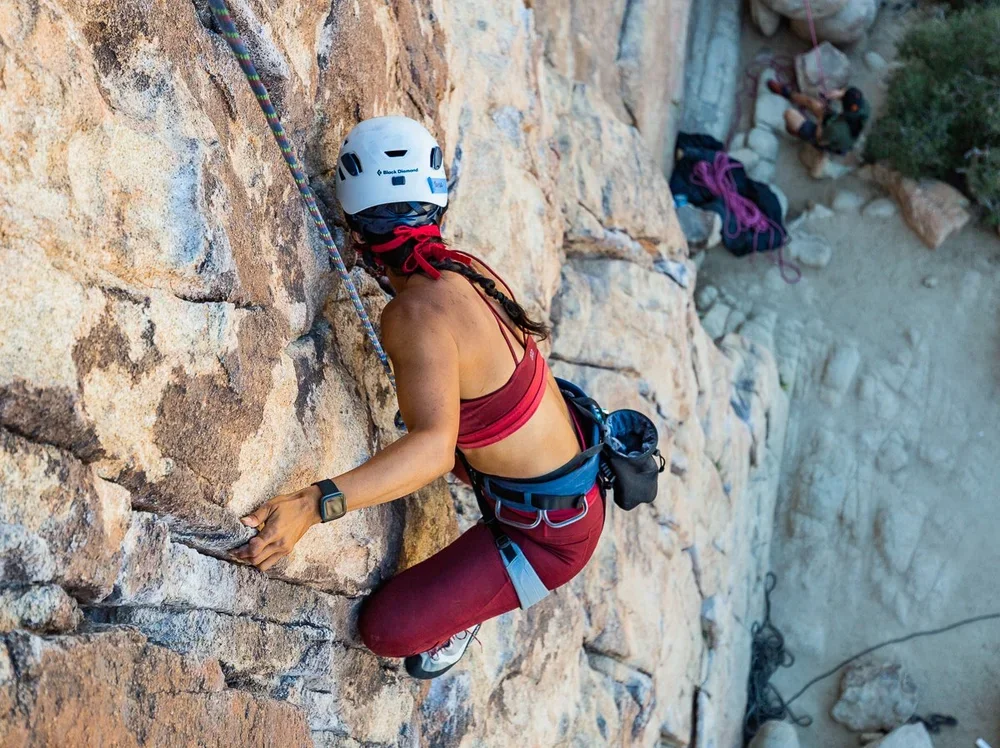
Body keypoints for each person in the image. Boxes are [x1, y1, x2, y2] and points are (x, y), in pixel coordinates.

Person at [230, 116, 605, 680]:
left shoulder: (411, 313)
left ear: (356, 232)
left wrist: (314, 504)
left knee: (387, 630)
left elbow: (432, 451)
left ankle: (470, 610)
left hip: (547, 539)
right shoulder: (464, 270)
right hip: (561, 479)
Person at [768, 81, 870, 156]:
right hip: (834, 124)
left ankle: (796, 131)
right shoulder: (863, 107)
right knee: (813, 103)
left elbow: (820, 139)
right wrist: (839, 93)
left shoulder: (837, 129)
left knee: (789, 114)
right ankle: (786, 93)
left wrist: (821, 119)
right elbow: (850, 92)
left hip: (824, 137)